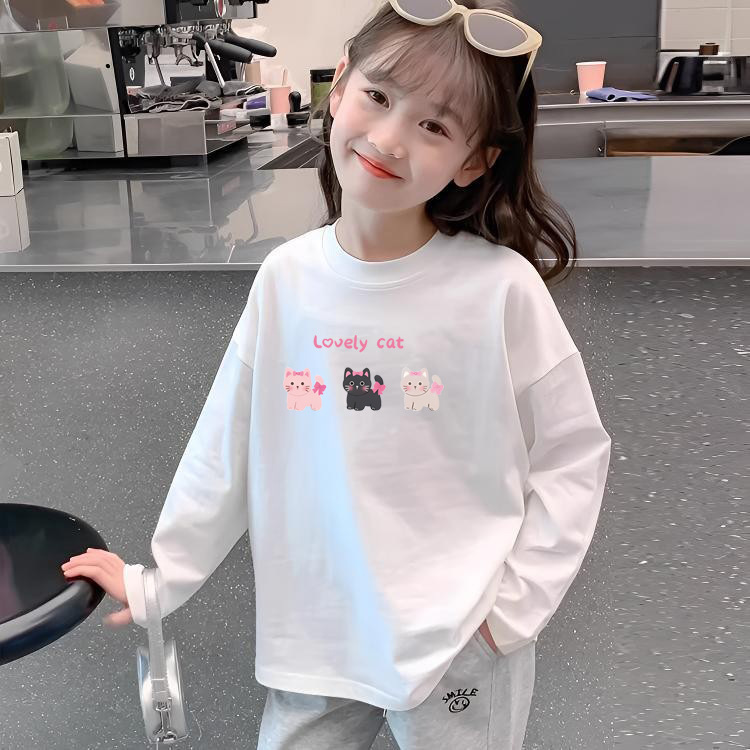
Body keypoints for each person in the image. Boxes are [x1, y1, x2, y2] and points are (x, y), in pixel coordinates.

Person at [61, 1, 612, 748]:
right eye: (379, 96)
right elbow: (229, 442)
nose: (388, 139)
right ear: (340, 84)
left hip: (460, 645)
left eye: (436, 126)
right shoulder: (287, 280)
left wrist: (508, 616)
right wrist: (160, 579)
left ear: (476, 160)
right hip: (316, 639)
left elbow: (573, 457)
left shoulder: (500, 291)